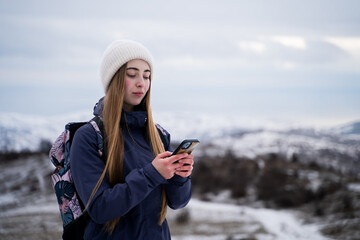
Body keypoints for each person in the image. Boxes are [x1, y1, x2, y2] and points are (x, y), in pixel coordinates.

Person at [70, 40, 194, 239]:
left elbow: (177, 202)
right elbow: (100, 209)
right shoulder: (89, 137)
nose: (141, 83)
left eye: (147, 76)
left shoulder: (158, 135)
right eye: (132, 74)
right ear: (114, 79)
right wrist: (151, 174)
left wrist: (180, 176)